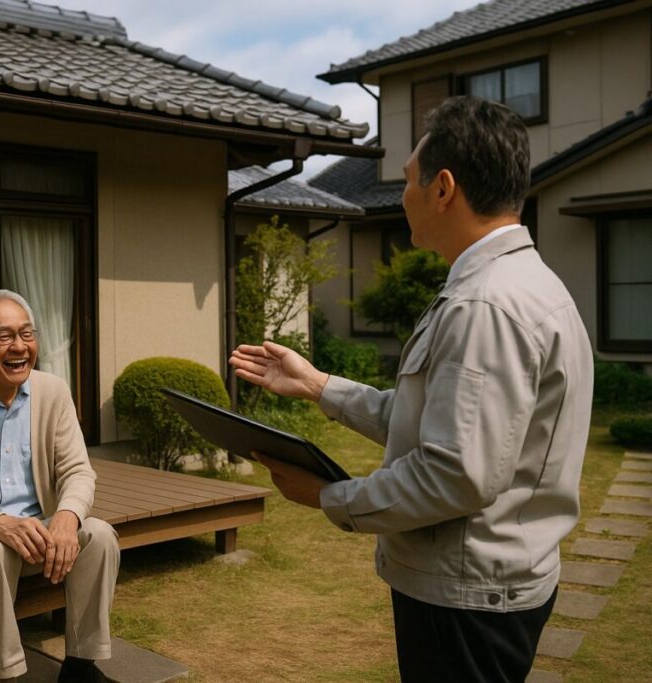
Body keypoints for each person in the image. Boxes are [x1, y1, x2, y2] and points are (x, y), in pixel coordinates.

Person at [230, 96, 594, 683]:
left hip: (466, 596)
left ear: (443, 187)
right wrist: (318, 385)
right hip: (493, 582)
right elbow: (436, 422)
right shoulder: (522, 284)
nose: (402, 196)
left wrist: (331, 496)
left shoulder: (485, 305)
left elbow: (457, 472)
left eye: (407, 181)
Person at [0, 289, 119, 683]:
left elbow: (78, 471)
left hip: (39, 527)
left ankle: (81, 667)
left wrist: (66, 516)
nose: (20, 346)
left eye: (27, 334)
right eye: (5, 336)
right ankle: (4, 673)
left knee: (99, 535)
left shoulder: (53, 391)